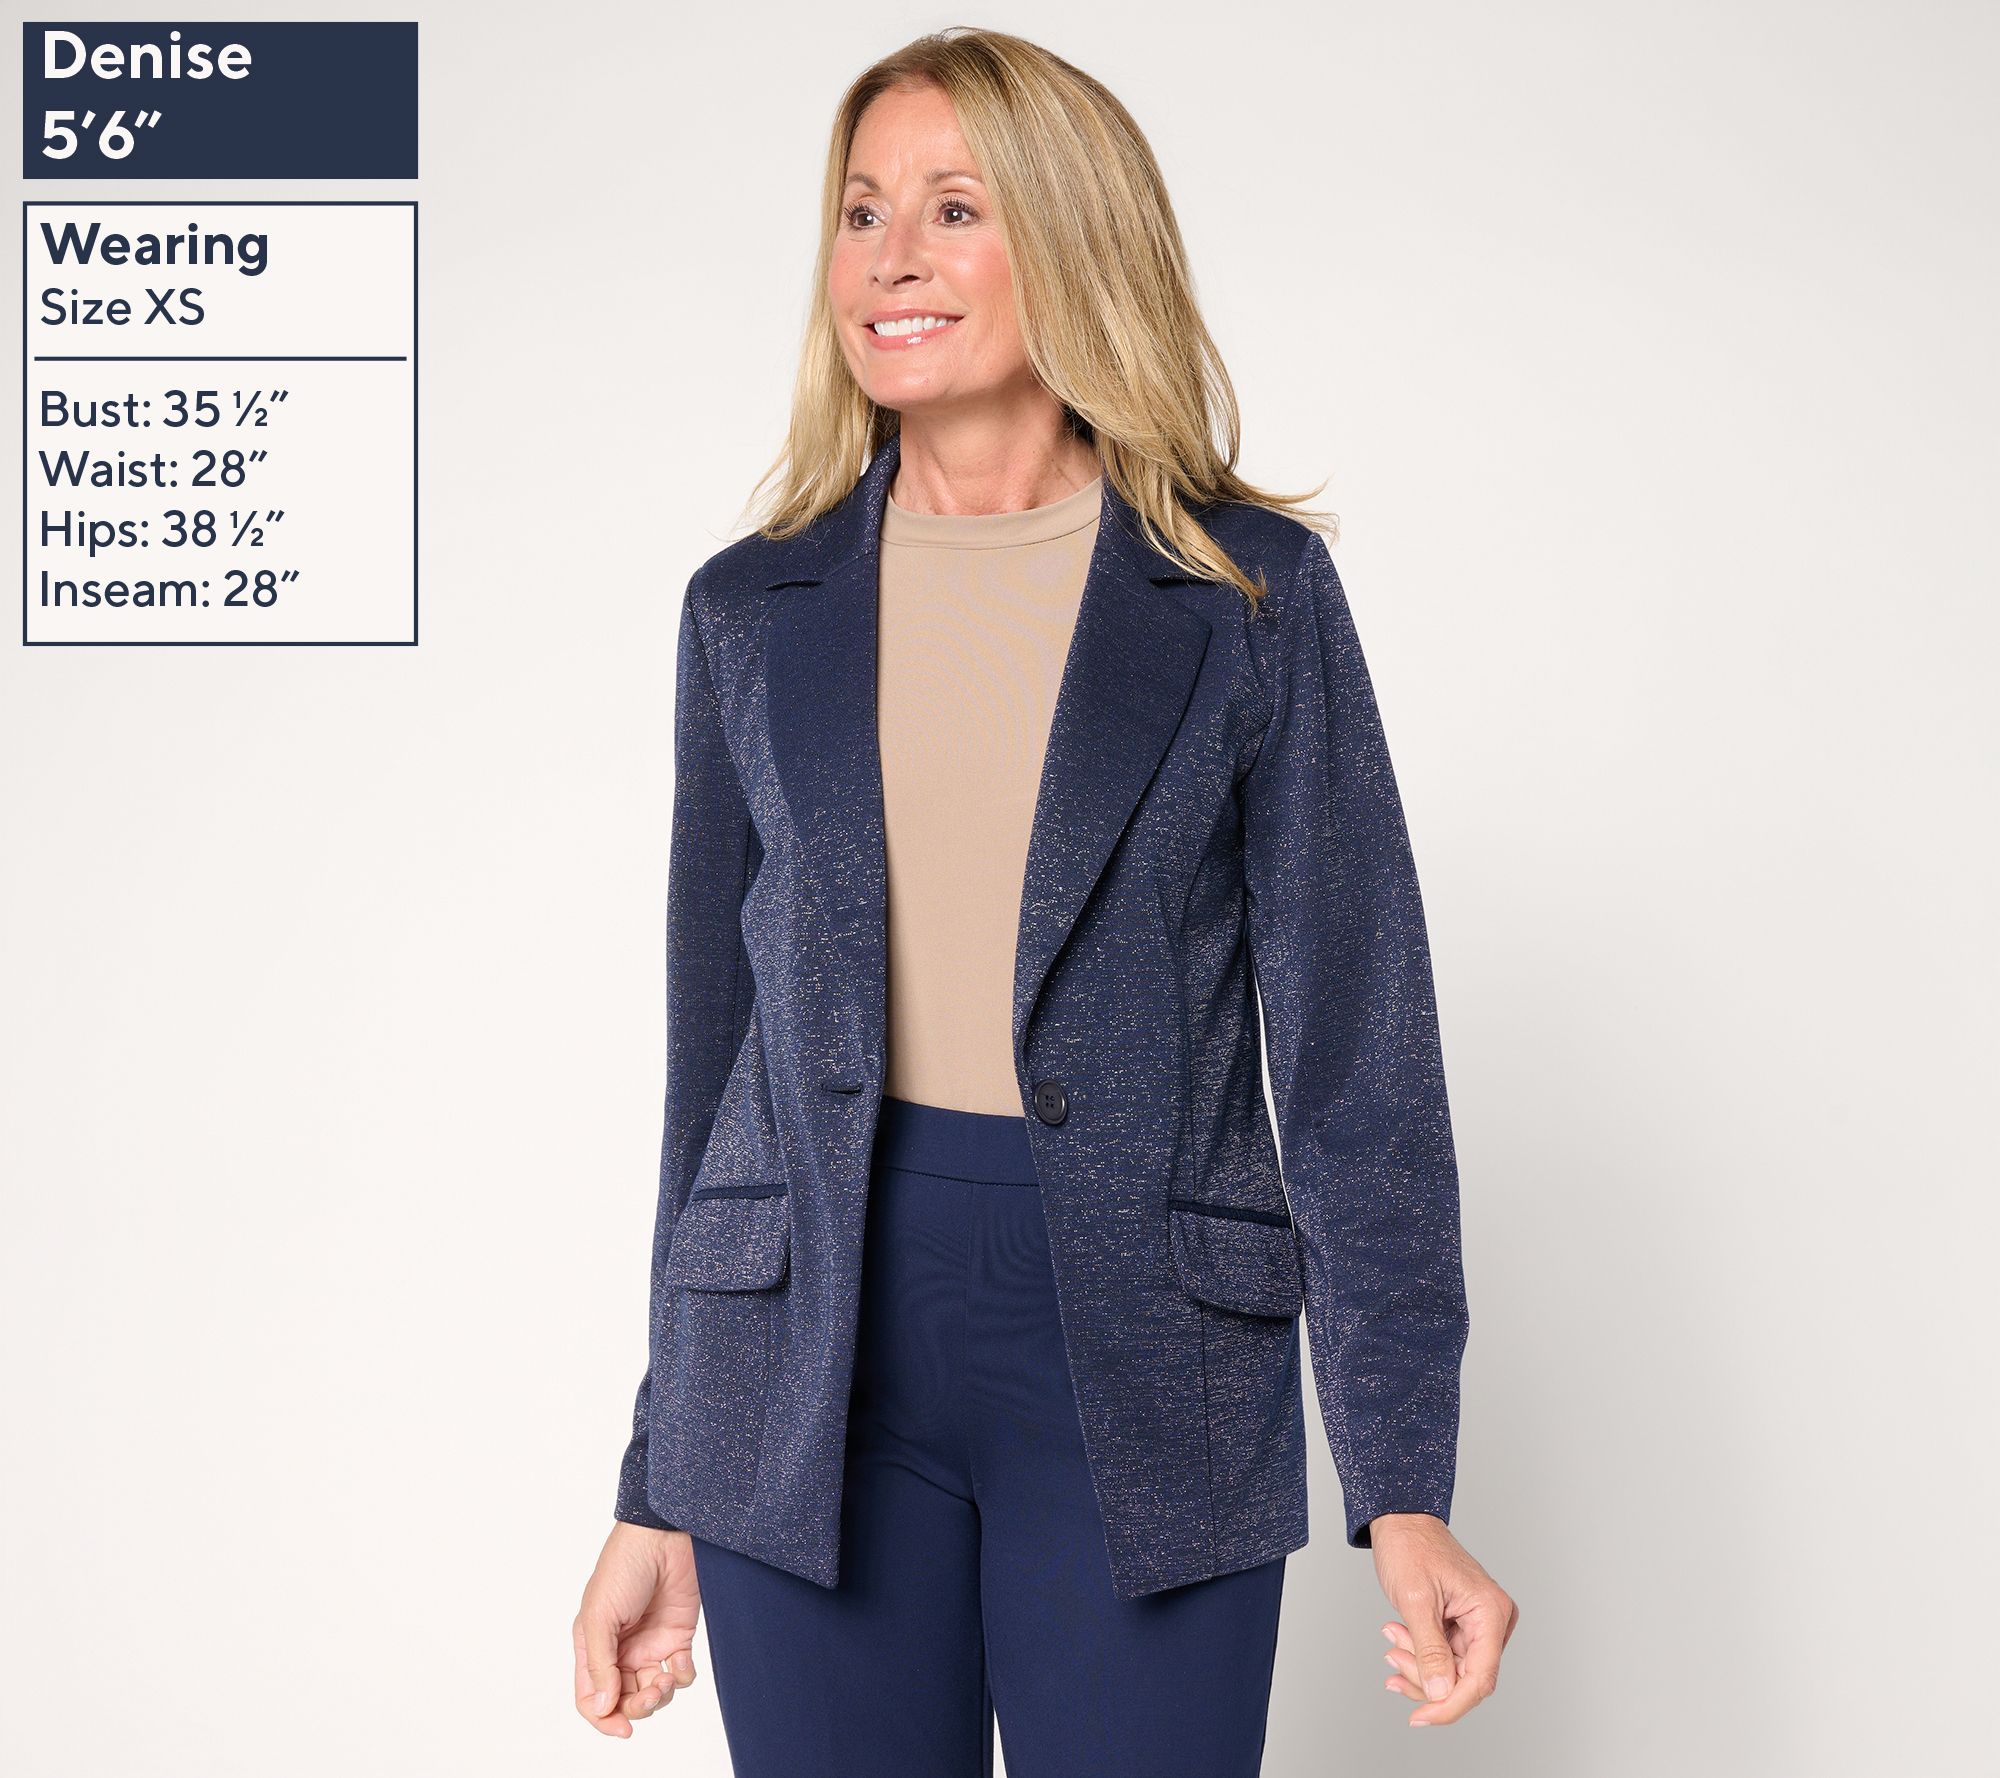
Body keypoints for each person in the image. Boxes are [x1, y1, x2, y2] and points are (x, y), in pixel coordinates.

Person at [573, 26, 1516, 1773]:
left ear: (1072, 238)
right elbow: (715, 1083)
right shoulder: (749, 615)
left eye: (954, 209)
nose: (891, 259)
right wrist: (660, 1476)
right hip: (803, 1381)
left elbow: (1359, 1068)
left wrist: (1404, 1485)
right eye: (861, 212)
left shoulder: (1245, 597)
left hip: (1149, 1375)